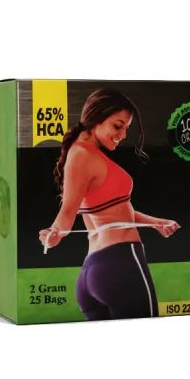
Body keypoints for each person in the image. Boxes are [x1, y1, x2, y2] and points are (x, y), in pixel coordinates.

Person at [39, 88, 180, 320]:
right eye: (117, 126)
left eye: (126, 128)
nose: (123, 135)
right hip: (121, 265)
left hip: (92, 272)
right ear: (97, 118)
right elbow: (68, 211)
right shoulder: (83, 156)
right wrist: (55, 232)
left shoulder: (83, 153)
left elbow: (113, 212)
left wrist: (156, 222)